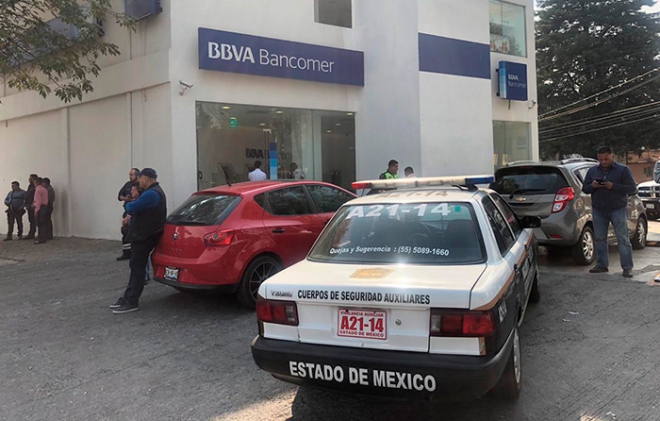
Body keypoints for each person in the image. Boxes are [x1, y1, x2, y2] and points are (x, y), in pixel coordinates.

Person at [110, 168, 166, 314]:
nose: (138, 182)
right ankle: (128, 297)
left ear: (145, 178)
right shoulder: (152, 192)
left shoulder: (151, 194)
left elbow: (131, 206)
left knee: (137, 268)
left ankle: (132, 301)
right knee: (135, 267)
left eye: (140, 178)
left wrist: (131, 203)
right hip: (143, 235)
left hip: (145, 236)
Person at [582, 146, 637, 278]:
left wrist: (614, 186)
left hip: (617, 208)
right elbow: (585, 188)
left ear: (613, 156)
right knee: (600, 238)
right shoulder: (592, 171)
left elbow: (632, 189)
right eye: (600, 159)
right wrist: (593, 186)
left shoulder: (623, 170)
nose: (603, 162)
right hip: (599, 209)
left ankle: (627, 267)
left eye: (606, 159)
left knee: (622, 238)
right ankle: (601, 265)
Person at [122, 182, 153, 284]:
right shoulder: (135, 202)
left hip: (141, 233)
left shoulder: (140, 203)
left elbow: (133, 210)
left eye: (133, 190)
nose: (131, 192)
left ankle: (145, 275)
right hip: (134, 233)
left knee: (142, 255)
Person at [117, 168, 140, 261]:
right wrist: (126, 199)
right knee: (125, 231)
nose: (130, 176)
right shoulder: (127, 185)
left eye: (132, 175)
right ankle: (126, 253)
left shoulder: (140, 185)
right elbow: (120, 196)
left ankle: (135, 252)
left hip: (136, 211)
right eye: (129, 174)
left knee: (134, 232)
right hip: (127, 210)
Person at [33, 177, 49, 245]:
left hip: (40, 207)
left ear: (36, 182)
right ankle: (43, 237)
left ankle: (40, 238)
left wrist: (36, 210)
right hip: (45, 206)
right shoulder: (44, 189)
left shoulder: (38, 190)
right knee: (43, 223)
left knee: (39, 223)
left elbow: (38, 201)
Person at [22, 174, 37, 240]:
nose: (29, 179)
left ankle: (33, 233)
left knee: (34, 220)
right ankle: (31, 233)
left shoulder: (35, 186)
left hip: (33, 205)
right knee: (31, 219)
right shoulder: (30, 186)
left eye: (30, 178)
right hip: (29, 205)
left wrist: (33, 203)